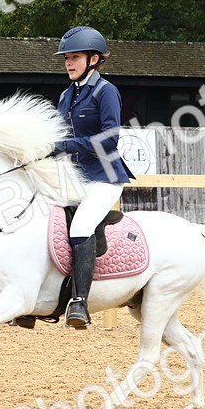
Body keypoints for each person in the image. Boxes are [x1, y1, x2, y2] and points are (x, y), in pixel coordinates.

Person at [51, 26, 134, 328]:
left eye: (74, 57)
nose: (68, 63)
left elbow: (110, 138)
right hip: (74, 177)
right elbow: (59, 134)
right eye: (66, 58)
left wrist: (68, 145)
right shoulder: (65, 95)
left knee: (82, 226)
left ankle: (79, 303)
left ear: (94, 59)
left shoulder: (105, 91)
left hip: (104, 178)